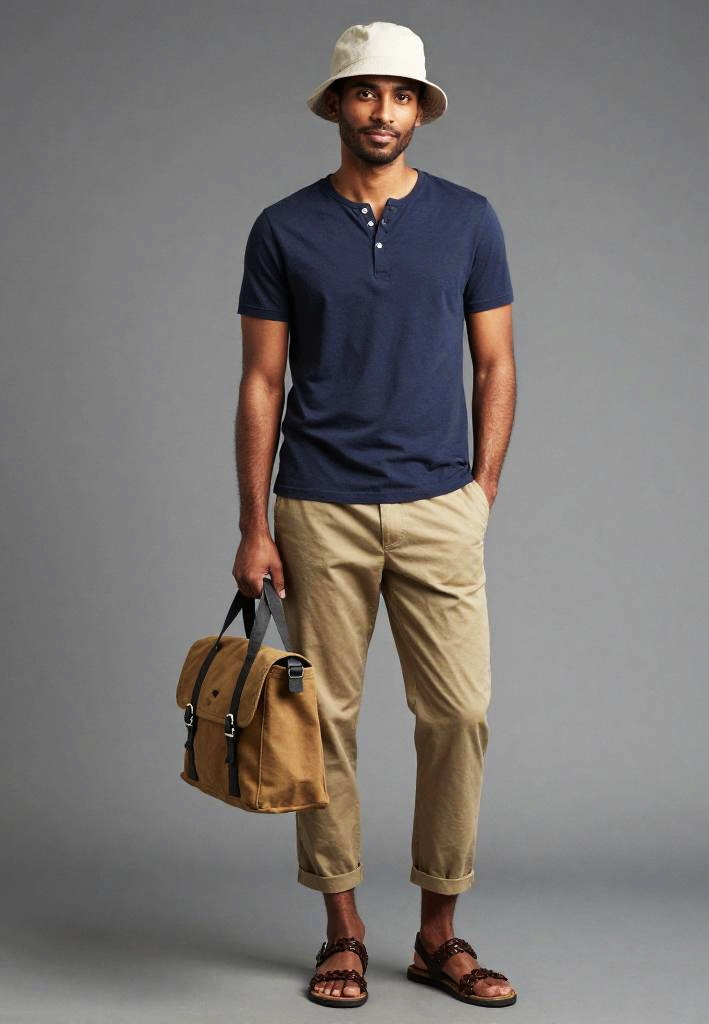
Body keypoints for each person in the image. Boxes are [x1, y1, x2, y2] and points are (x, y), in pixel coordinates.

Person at [231, 21, 518, 1009]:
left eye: (401, 94)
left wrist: (481, 489)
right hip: (319, 507)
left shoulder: (470, 220)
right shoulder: (283, 228)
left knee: (459, 714)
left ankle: (439, 934)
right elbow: (261, 382)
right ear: (337, 105)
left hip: (442, 506)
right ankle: (342, 931)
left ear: (420, 110)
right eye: (365, 92)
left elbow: (496, 363)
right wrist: (255, 525)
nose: (382, 110)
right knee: (323, 722)